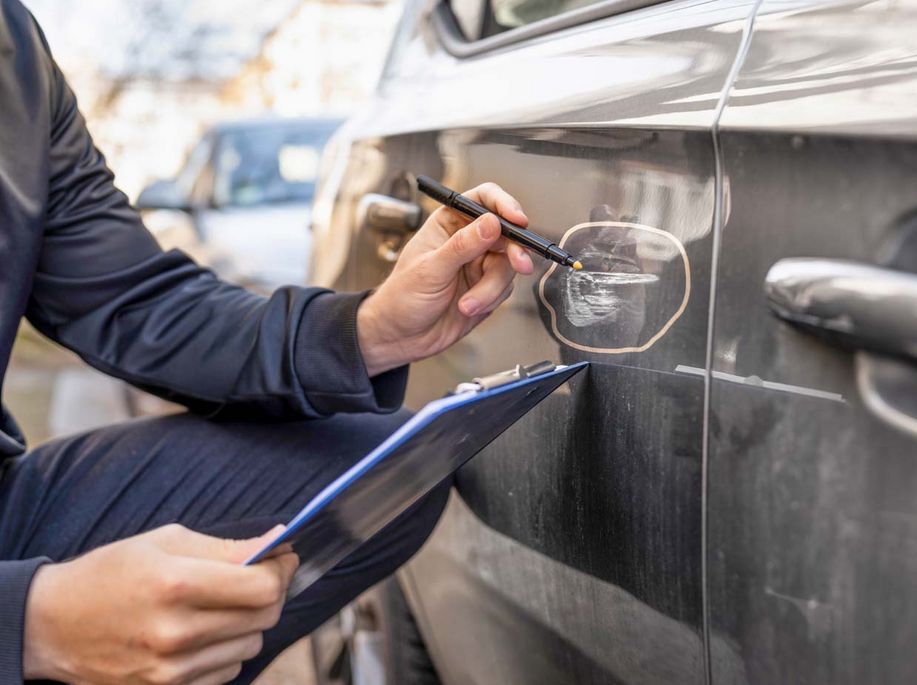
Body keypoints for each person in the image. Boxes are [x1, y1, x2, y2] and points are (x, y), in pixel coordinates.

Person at [0, 1, 536, 682]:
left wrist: (364, 331)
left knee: (382, 470)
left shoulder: (12, 48)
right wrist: (31, 623)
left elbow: (134, 299)